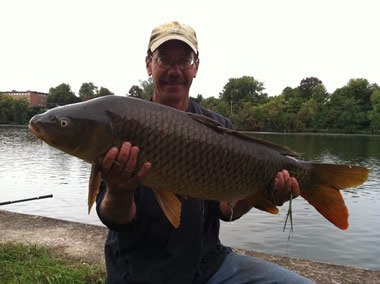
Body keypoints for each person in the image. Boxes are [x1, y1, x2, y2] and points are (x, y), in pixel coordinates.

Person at [96, 21, 314, 284]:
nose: (174, 71)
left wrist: (259, 194)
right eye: (164, 60)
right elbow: (114, 219)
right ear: (148, 64)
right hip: (139, 272)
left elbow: (227, 210)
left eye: (184, 61)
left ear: (195, 66)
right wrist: (119, 191)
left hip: (207, 266)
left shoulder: (220, 128)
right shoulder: (123, 122)